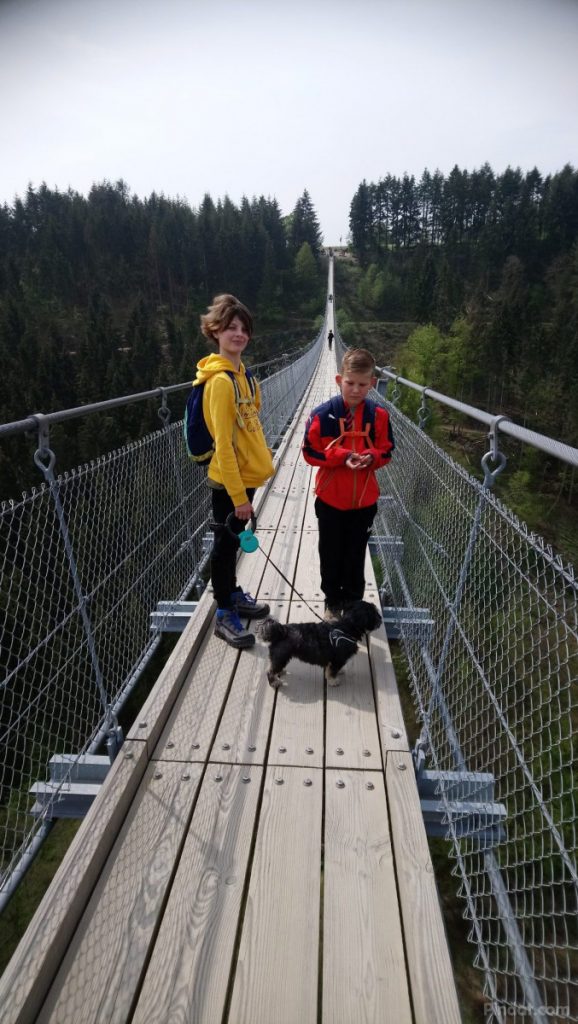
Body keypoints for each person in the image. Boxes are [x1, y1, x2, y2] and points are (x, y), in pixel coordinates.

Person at [194, 294, 275, 648]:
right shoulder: (221, 383)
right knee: (225, 547)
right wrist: (239, 497)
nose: (238, 334)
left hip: (246, 478)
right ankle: (224, 612)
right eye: (230, 328)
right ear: (215, 332)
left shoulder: (245, 376)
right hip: (230, 482)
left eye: (244, 328)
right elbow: (224, 446)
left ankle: (232, 592)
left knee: (231, 544)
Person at [302, 348, 394, 617]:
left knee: (356, 555)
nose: (356, 389)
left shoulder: (379, 416)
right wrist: (342, 457)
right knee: (330, 553)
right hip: (330, 500)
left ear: (372, 384)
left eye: (363, 384)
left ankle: (353, 605)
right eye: (350, 383)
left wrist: (371, 457)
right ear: (338, 380)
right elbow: (309, 452)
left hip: (364, 502)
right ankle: (333, 602)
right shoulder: (322, 414)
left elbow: (386, 450)